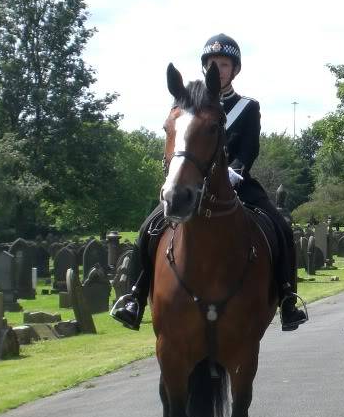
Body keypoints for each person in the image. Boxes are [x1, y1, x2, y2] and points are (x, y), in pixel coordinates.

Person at [110, 33, 308, 332]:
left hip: (237, 184)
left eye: (224, 63)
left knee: (279, 227)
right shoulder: (187, 104)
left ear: (234, 69)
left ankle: (287, 298)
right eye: (213, 62)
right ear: (205, 66)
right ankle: (135, 297)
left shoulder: (247, 107)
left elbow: (248, 149)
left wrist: (234, 171)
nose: (218, 67)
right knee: (148, 229)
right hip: (191, 183)